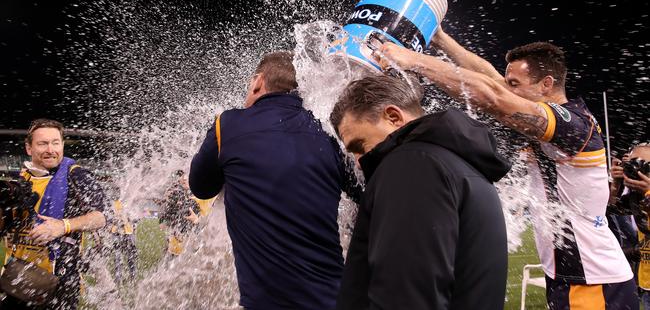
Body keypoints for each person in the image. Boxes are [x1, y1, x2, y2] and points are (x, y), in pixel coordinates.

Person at [373, 29, 637, 308]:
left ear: (546, 84)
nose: (506, 87)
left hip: (592, 282)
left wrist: (412, 60)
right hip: (570, 277)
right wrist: (440, 38)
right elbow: (490, 78)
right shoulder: (552, 115)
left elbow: (493, 96)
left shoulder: (572, 124)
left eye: (514, 83)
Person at [189, 51, 358, 310]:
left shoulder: (229, 124)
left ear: (258, 82)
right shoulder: (328, 136)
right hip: (338, 298)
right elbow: (366, 194)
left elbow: (200, 188)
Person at [329, 74, 510, 309]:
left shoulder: (410, 164)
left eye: (360, 145)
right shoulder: (457, 162)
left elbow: (405, 294)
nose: (358, 162)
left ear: (393, 117)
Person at [1, 119, 106, 309]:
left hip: (58, 284)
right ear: (29, 148)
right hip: (18, 278)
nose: (50, 149)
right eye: (42, 143)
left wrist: (62, 225)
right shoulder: (20, 180)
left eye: (55, 143)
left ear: (62, 145)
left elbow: (101, 217)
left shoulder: (76, 176)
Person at [611, 142, 650, 309]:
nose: (637, 170)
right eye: (633, 164)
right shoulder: (637, 196)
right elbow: (609, 211)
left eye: (643, 165)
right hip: (646, 283)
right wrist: (615, 186)